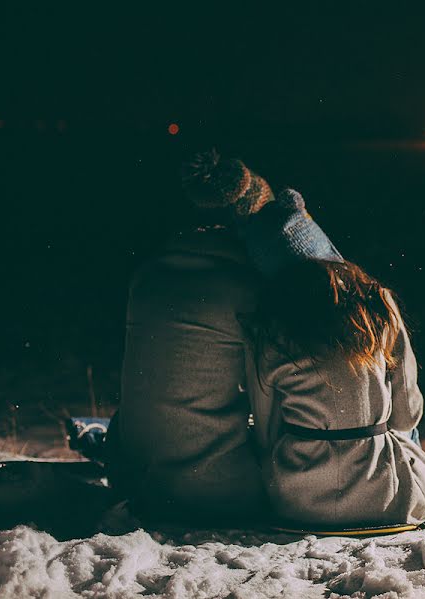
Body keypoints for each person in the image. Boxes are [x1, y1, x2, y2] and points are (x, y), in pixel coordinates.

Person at [239, 187, 425, 526]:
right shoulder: (377, 305)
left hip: (298, 500)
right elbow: (406, 416)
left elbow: (266, 431)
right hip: (385, 497)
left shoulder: (269, 327)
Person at [113, 151, 278, 523]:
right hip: (217, 493)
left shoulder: (147, 276)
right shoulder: (246, 289)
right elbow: (269, 403)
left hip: (138, 485)